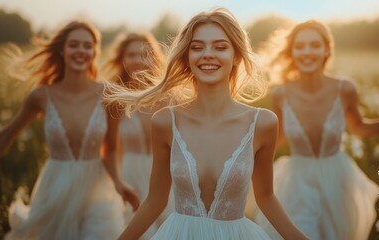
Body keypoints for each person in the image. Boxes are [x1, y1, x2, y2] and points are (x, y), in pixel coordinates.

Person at [104, 7, 309, 240]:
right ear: (187, 57)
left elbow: (266, 198)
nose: (207, 54)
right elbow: (154, 201)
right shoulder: (165, 121)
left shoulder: (262, 122)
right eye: (197, 47)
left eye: (220, 47)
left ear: (237, 57)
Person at [254, 19, 379, 240]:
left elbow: (358, 127)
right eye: (300, 46)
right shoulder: (281, 94)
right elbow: (280, 137)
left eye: (315, 45)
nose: (307, 52)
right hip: (297, 181)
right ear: (292, 52)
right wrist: (248, 151)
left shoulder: (345, 89)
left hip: (337, 178)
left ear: (326, 49)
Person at [0, 20, 137, 239]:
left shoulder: (109, 95)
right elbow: (6, 136)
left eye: (87, 46)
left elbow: (109, 148)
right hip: (55, 188)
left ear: (94, 52)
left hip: (97, 190)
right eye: (74, 45)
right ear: (62, 50)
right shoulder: (41, 96)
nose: (81, 51)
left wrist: (119, 183)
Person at [102, 31, 172, 239]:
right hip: (130, 178)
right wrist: (118, 182)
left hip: (168, 177)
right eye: (131, 55)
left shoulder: (171, 96)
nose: (138, 61)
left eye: (145, 54)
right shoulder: (115, 100)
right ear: (122, 59)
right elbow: (110, 148)